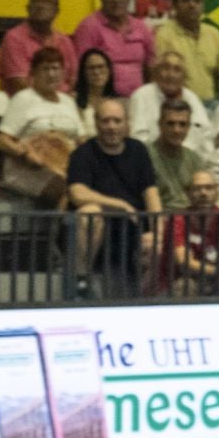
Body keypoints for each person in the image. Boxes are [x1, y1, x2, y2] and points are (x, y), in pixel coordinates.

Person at [67, 98, 161, 297]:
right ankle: (81, 282)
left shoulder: (138, 150)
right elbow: (77, 193)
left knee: (156, 241)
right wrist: (120, 205)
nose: (111, 127)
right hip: (98, 233)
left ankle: (148, 300)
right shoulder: (82, 153)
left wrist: (158, 232)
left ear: (127, 123)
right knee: (89, 213)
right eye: (106, 120)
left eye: (117, 121)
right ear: (96, 123)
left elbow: (151, 194)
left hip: (132, 230)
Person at [0, 47, 80, 206]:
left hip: (65, 166)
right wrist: (25, 153)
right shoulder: (23, 98)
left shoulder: (68, 101)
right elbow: (2, 141)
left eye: (55, 68)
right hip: (29, 169)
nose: (51, 74)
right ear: (33, 73)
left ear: (63, 72)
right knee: (67, 188)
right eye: (45, 69)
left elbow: (81, 139)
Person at [72, 0, 155, 96]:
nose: (116, 0)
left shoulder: (141, 27)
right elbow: (81, 71)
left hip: (139, 98)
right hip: (104, 99)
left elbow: (151, 66)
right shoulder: (88, 27)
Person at [0, 0, 77, 94]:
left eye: (47, 2)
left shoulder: (65, 41)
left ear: (56, 11)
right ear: (28, 8)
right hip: (26, 102)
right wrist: (58, 97)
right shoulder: (14, 38)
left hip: (62, 101)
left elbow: (73, 80)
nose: (41, 6)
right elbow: (21, 84)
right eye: (36, 1)